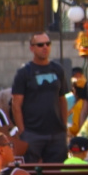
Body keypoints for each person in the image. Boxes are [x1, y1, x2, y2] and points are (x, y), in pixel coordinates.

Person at [12, 33, 69, 164]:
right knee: (31, 173)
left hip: (57, 133)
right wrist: (22, 132)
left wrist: (64, 126)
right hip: (32, 133)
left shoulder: (58, 69)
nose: (45, 47)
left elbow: (62, 100)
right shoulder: (24, 72)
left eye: (48, 44)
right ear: (32, 48)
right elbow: (16, 105)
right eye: (40, 44)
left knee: (57, 174)